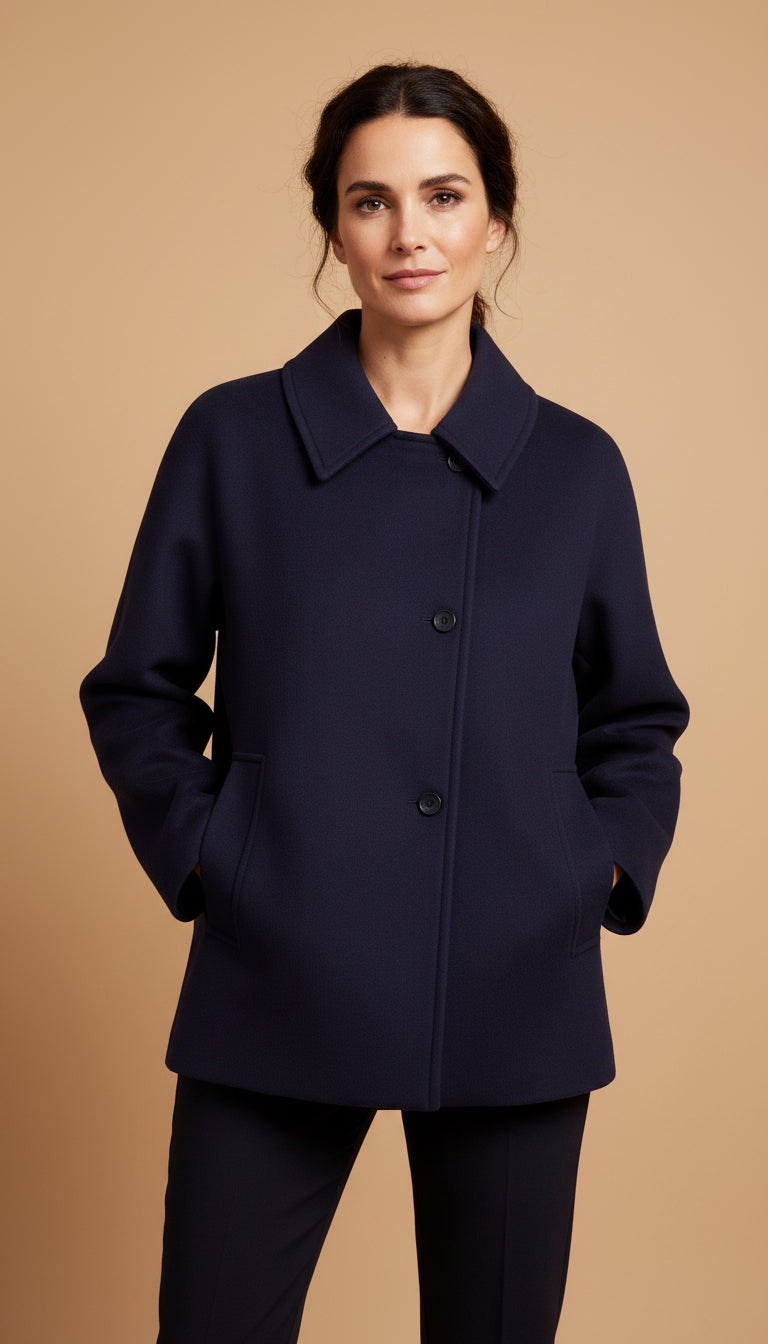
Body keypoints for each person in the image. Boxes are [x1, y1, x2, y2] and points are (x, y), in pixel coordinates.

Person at [80, 61, 689, 1344]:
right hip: (275, 973)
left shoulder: (577, 468)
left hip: (516, 987)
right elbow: (137, 687)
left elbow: (637, 720)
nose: (410, 233)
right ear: (335, 229)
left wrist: (588, 871)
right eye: (372, 201)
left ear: (496, 221)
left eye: (444, 196)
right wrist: (218, 859)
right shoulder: (232, 440)